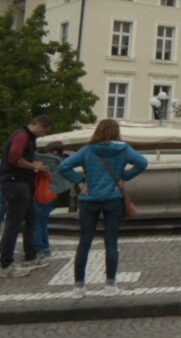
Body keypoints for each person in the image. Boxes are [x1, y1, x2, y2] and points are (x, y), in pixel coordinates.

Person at [58, 119, 148, 297]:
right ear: (116, 131)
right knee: (111, 241)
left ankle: (79, 286)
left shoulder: (87, 150)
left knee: (84, 242)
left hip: (89, 200)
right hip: (113, 199)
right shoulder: (123, 149)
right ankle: (110, 284)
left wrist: (80, 181)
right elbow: (142, 163)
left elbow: (63, 166)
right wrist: (125, 177)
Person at [0, 115, 54, 278]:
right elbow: (14, 158)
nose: (43, 134)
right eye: (45, 130)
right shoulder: (22, 135)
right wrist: (33, 166)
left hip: (23, 183)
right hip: (16, 183)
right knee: (13, 224)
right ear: (39, 125)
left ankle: (31, 256)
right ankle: (6, 265)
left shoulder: (28, 138)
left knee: (31, 218)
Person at [32, 141, 72, 261]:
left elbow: (32, 156)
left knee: (37, 222)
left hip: (43, 193)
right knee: (43, 222)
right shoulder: (65, 162)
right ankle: (45, 248)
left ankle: (39, 249)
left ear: (53, 152)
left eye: (48, 152)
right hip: (54, 195)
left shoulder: (50, 161)